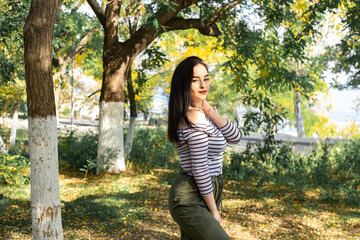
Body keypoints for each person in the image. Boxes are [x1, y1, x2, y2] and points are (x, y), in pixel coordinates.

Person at [167, 56, 241, 240]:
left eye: (206, 78)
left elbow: (235, 137)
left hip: (208, 188)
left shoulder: (204, 114)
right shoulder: (193, 117)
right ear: (184, 84)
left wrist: (210, 111)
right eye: (195, 80)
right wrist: (214, 211)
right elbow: (200, 169)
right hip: (190, 195)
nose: (203, 85)